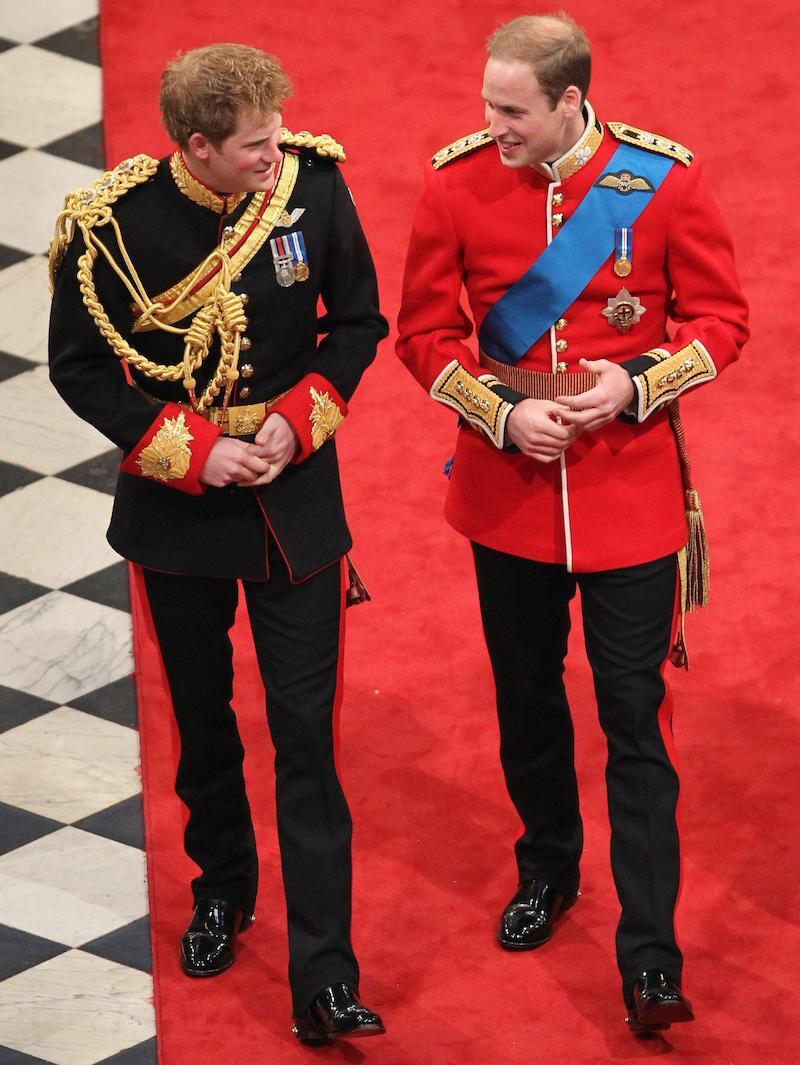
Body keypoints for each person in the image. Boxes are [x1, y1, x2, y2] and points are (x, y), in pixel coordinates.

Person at [396, 13, 747, 1033]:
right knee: (527, 698)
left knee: (634, 717)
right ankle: (547, 866)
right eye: (486, 106)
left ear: (570, 102)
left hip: (629, 494)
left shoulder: (660, 181)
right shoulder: (454, 183)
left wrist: (635, 386)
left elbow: (722, 321)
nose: (492, 126)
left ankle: (650, 957)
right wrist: (499, 412)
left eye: (511, 110)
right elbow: (423, 332)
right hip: (506, 492)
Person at [49, 43, 387, 1045]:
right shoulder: (113, 226)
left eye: (276, 137)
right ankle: (222, 889)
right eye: (252, 146)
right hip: (180, 512)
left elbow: (357, 323)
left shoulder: (311, 187)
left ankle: (325, 976)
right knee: (202, 723)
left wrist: (300, 418)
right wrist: (194, 451)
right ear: (195, 146)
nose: (274, 156)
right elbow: (81, 368)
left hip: (294, 506)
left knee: (305, 737)